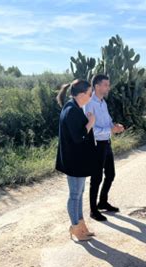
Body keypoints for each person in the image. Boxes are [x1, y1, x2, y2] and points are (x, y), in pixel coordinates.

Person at [55, 79, 97, 241]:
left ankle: (80, 225)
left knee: (79, 193)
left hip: (78, 159)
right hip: (74, 161)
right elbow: (79, 136)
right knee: (75, 194)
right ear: (81, 94)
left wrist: (87, 122)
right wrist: (90, 123)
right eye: (89, 93)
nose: (91, 95)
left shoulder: (74, 107)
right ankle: (75, 227)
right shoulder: (72, 110)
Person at [84, 74, 125, 222]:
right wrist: (110, 130)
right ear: (97, 86)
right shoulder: (89, 104)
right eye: (106, 84)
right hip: (96, 145)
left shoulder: (103, 102)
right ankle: (93, 210)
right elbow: (91, 130)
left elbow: (107, 122)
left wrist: (114, 126)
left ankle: (102, 202)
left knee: (111, 174)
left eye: (108, 84)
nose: (108, 87)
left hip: (106, 143)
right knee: (96, 178)